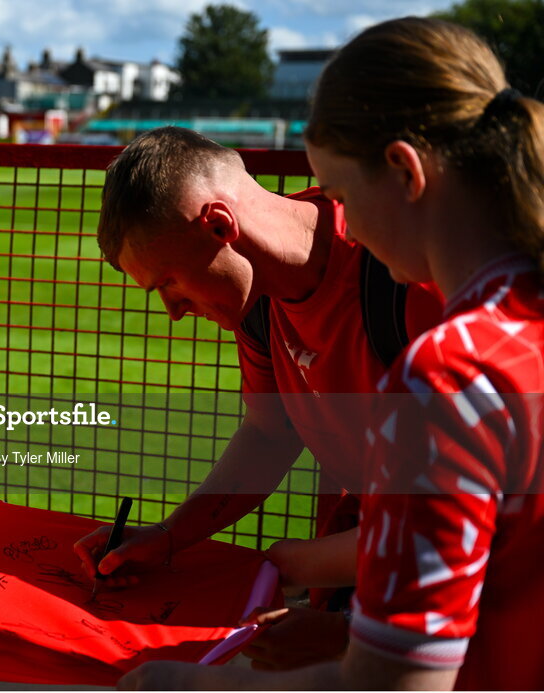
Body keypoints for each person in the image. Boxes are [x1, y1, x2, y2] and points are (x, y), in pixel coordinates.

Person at [119, 17, 544, 690]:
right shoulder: (519, 321)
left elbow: (394, 681)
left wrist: (176, 685)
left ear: (404, 170)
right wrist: (296, 564)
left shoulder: (447, 362)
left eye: (341, 193)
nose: (340, 215)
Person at [73, 126, 443, 668]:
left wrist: (344, 629)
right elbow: (272, 431)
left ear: (220, 224)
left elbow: (480, 520)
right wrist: (170, 536)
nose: (173, 313)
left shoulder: (405, 275)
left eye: (170, 284)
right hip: (362, 560)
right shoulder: (260, 305)